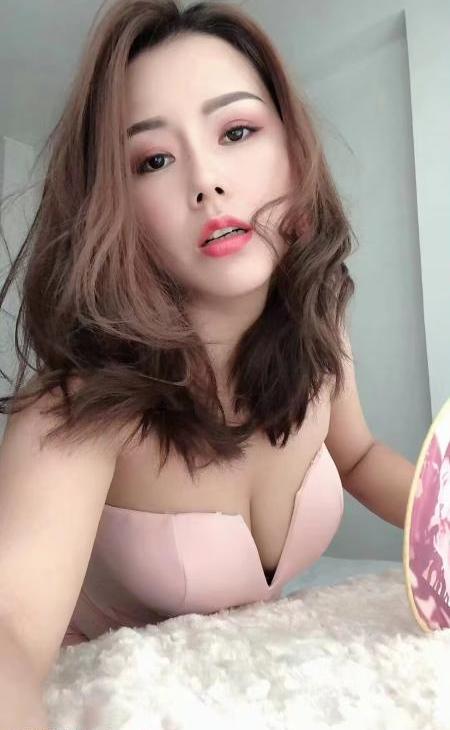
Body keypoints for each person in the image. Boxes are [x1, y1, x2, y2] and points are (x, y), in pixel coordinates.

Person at [0, 0, 416, 725]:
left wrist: (438, 518)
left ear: (295, 153)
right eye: (153, 160)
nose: (205, 180)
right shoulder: (77, 410)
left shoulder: (319, 327)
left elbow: (357, 456)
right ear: (116, 210)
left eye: (237, 131)